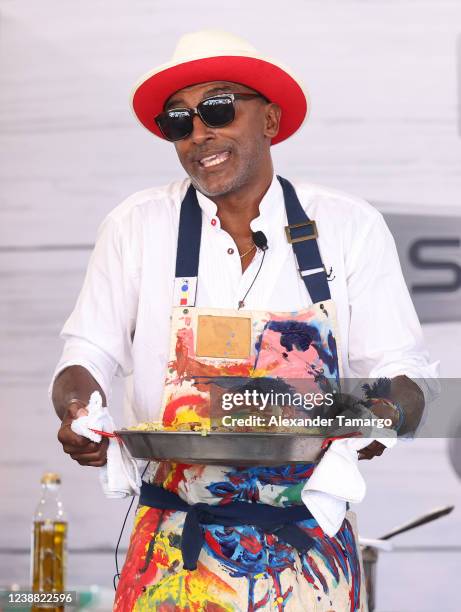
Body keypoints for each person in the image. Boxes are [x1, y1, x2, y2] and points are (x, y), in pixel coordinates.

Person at [52, 30, 438, 611]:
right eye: (179, 122)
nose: (199, 134)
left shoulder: (348, 226)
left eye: (217, 108)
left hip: (308, 551)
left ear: (271, 120)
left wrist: (376, 418)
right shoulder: (136, 226)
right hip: (172, 550)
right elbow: (86, 356)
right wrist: (81, 411)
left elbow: (407, 377)